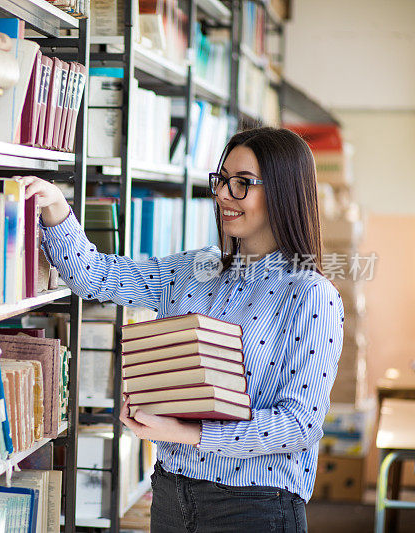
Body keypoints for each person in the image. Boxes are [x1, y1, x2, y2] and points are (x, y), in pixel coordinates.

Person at [22, 127, 343, 532]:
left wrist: (188, 432)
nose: (224, 194)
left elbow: (300, 425)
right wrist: (55, 209)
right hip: (172, 494)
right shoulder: (195, 268)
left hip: (254, 507)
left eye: (243, 184)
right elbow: (96, 277)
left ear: (284, 192)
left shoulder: (310, 293)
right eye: (223, 180)